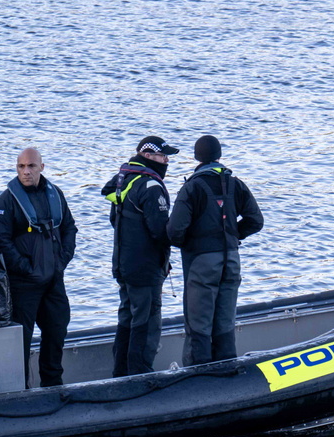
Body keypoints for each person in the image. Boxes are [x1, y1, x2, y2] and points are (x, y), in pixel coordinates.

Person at [167, 135, 264, 365]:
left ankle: (198, 381)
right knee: (225, 323)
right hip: (231, 260)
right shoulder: (235, 183)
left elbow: (174, 231)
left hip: (202, 263)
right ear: (219, 156)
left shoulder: (192, 187)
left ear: (196, 158)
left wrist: (190, 243)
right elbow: (256, 220)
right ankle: (227, 374)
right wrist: (233, 235)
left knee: (198, 326)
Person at [0, 147, 78, 387]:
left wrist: (62, 260)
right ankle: (21, 388)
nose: (26, 171)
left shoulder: (55, 194)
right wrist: (24, 267)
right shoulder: (5, 201)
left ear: (41, 167)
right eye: (21, 167)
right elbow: (0, 240)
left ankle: (52, 384)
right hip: (23, 283)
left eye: (31, 166)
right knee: (22, 339)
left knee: (57, 329)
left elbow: (69, 228)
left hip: (53, 278)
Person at [101, 136, 178, 377]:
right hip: (145, 270)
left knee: (127, 318)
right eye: (163, 156)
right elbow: (161, 231)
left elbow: (116, 221)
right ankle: (141, 378)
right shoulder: (151, 186)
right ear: (147, 156)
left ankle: (120, 375)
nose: (166, 161)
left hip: (123, 266)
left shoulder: (123, 181)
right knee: (146, 324)